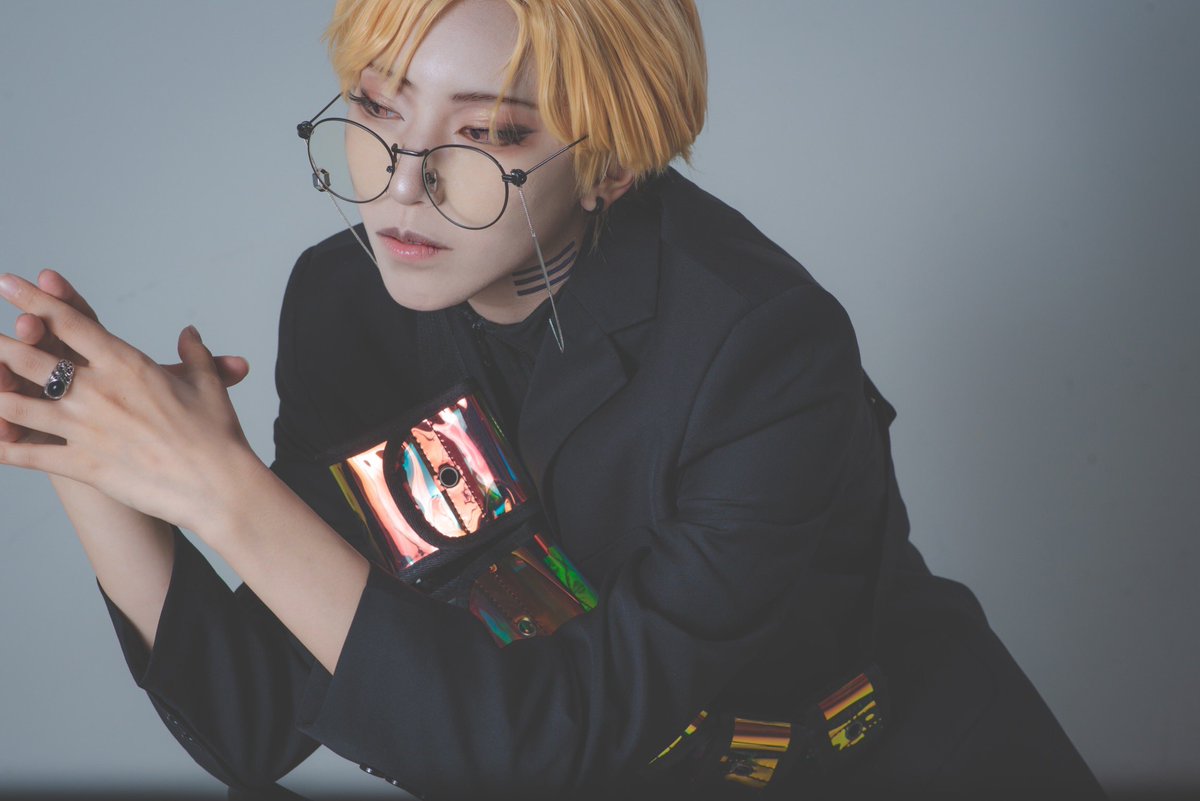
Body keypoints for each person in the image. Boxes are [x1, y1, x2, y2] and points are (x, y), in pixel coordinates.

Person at [0, 1, 1106, 798]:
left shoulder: (762, 347)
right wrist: (79, 432)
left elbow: (548, 740)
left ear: (612, 164)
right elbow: (253, 719)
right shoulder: (346, 302)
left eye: (488, 133)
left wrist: (218, 486)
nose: (402, 182)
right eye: (379, 108)